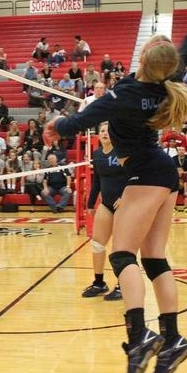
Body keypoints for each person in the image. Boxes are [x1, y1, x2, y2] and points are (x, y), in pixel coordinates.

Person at [44, 21, 187, 373]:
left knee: (121, 255)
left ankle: (140, 334)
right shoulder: (168, 79)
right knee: (155, 259)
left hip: (146, 174)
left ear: (143, 58)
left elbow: (75, 123)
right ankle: (173, 339)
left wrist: (53, 125)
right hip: (163, 172)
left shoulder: (123, 95)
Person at [82, 123, 126, 301]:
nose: (105, 133)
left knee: (120, 247)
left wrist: (126, 197)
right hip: (106, 204)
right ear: (98, 135)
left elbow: (134, 177)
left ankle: (123, 285)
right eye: (102, 131)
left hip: (125, 205)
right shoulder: (98, 154)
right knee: (97, 243)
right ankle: (99, 283)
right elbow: (97, 181)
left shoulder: (123, 152)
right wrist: (91, 203)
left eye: (108, 130)